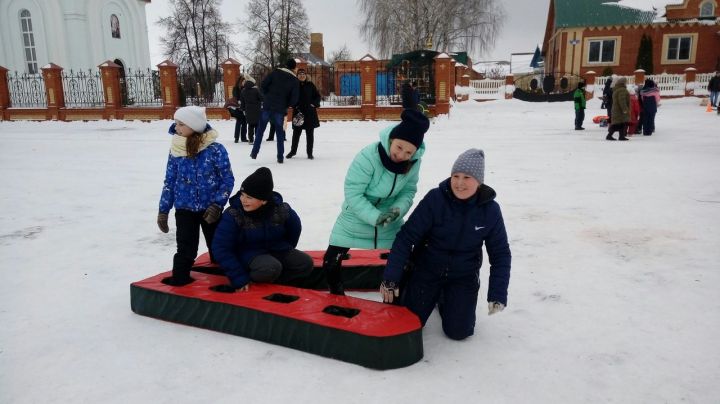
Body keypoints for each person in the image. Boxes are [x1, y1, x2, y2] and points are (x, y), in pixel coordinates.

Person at [380, 149, 511, 340]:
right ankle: (418, 292)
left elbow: (500, 254)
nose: (459, 183)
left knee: (459, 332)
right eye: (455, 176)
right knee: (409, 323)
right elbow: (406, 237)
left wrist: (497, 293)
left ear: (479, 182)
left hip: (463, 275)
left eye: (467, 177)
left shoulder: (490, 210)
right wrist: (392, 277)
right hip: (426, 271)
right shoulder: (435, 199)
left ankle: (444, 299)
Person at [322, 108, 430, 295]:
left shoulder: (414, 162)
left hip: (390, 214)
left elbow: (408, 190)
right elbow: (353, 192)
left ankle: (401, 293)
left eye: (409, 152)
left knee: (405, 255)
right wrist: (375, 217)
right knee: (331, 258)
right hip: (357, 212)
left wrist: (396, 212)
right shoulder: (368, 156)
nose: (402, 155)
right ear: (391, 140)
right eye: (399, 147)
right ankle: (335, 293)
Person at [157, 106, 235, 286]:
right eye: (176, 123)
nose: (176, 127)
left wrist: (217, 205)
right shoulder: (176, 150)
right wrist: (163, 210)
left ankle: (226, 282)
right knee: (185, 249)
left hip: (210, 209)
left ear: (195, 125)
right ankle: (180, 283)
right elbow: (170, 181)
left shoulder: (215, 150)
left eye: (181, 124)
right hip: (184, 209)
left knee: (218, 248)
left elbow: (227, 179)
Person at [209, 167, 314, 292]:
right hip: (246, 255)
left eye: (249, 197)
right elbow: (220, 247)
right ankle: (253, 284)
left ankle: (280, 286)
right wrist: (238, 277)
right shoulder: (233, 214)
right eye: (242, 195)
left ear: (264, 200)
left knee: (305, 263)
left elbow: (294, 230)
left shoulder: (281, 210)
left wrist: (285, 249)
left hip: (276, 249)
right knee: (270, 267)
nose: (243, 200)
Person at [250, 59, 300, 163]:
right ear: (294, 68)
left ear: (285, 65)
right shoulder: (294, 80)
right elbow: (294, 99)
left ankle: (254, 152)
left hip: (267, 105)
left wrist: (267, 97)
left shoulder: (275, 72)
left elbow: (263, 85)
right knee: (280, 133)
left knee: (260, 130)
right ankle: (280, 157)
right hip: (280, 109)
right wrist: (287, 104)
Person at [286, 68, 321, 160]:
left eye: (303, 74)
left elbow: (317, 96)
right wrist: (294, 105)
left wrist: (314, 103)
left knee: (310, 134)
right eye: (300, 74)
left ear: (306, 75)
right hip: (298, 113)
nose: (302, 76)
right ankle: (293, 151)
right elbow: (290, 97)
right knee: (296, 133)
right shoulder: (294, 85)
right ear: (297, 76)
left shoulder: (310, 85)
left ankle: (310, 153)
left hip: (310, 113)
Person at [606, 77, 630, 141]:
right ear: (623, 83)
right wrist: (625, 109)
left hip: (617, 109)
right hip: (620, 110)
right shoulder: (622, 90)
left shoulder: (617, 89)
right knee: (617, 124)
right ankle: (609, 136)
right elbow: (622, 100)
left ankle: (621, 136)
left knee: (621, 123)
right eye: (625, 82)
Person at [240, 77, 262, 144]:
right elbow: (261, 98)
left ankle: (251, 140)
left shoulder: (243, 91)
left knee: (250, 125)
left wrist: (243, 109)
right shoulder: (256, 90)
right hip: (257, 109)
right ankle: (257, 139)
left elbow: (242, 101)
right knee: (257, 125)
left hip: (248, 110)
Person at [229, 76, 248, 143]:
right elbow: (235, 97)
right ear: (240, 81)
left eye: (245, 81)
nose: (244, 82)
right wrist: (239, 100)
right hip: (237, 108)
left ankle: (243, 138)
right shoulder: (236, 88)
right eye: (243, 81)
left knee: (244, 122)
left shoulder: (245, 88)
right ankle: (236, 138)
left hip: (244, 107)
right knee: (239, 122)